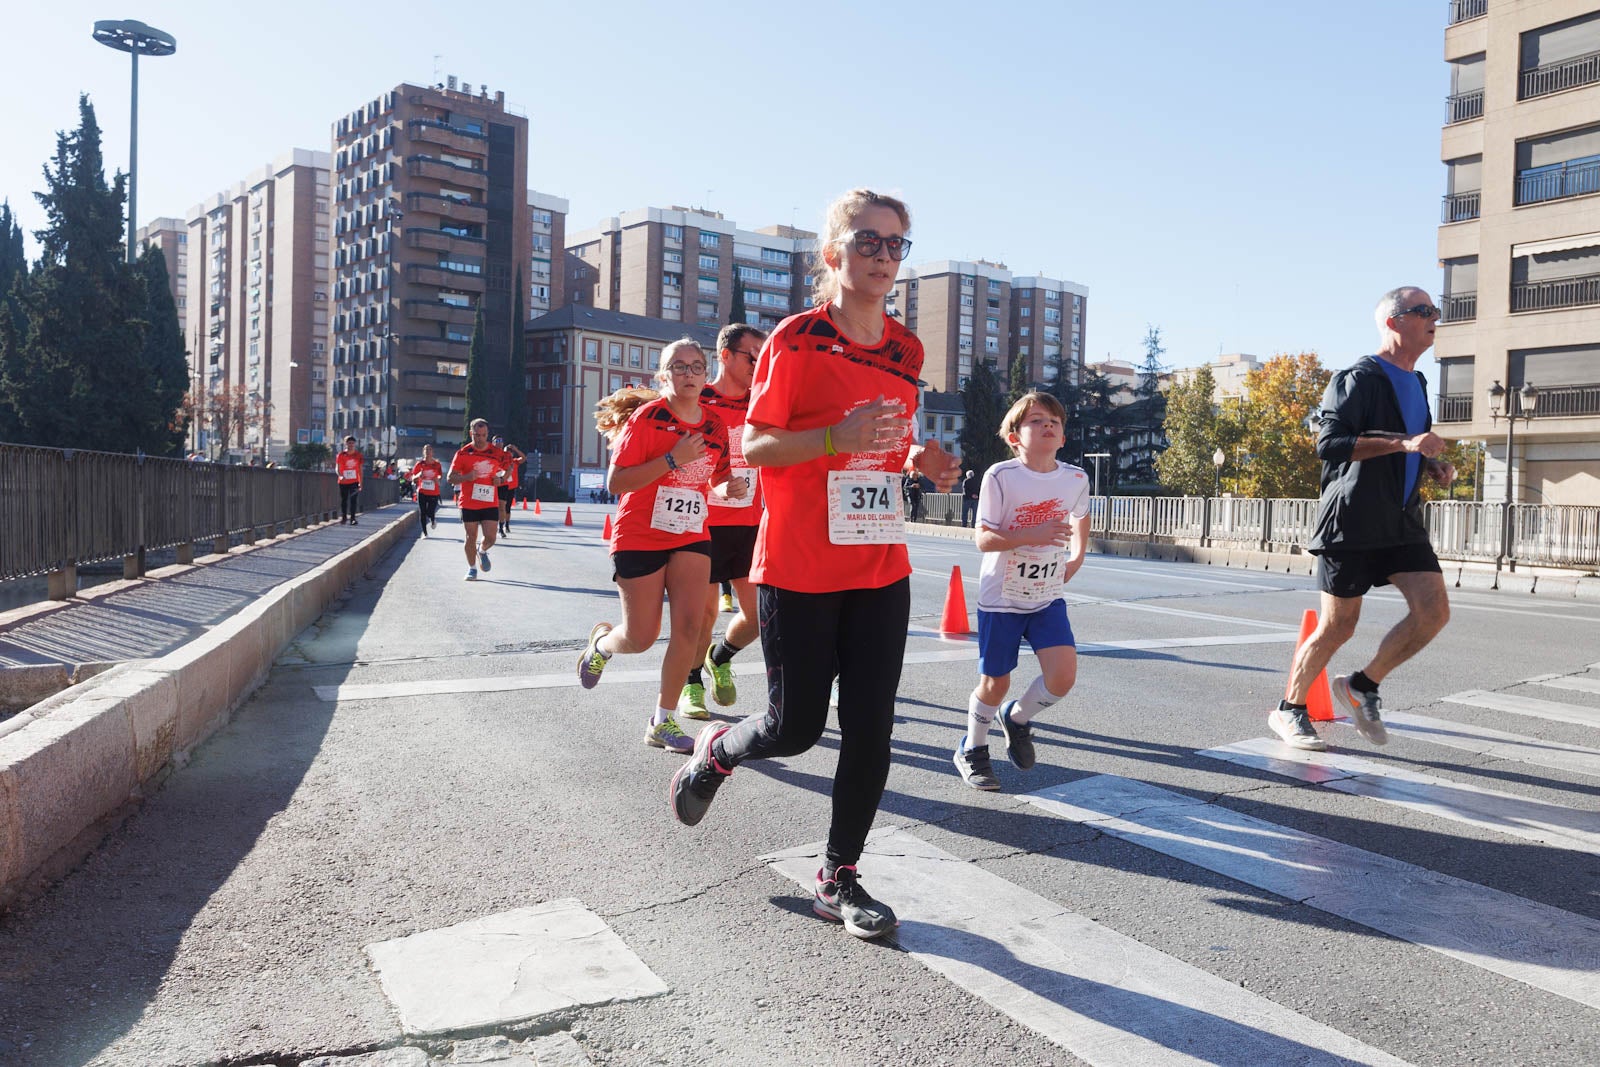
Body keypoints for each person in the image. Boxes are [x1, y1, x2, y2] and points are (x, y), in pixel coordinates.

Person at [668, 188, 960, 941]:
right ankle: (716, 752)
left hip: (879, 563)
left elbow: (888, 438)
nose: (884, 256)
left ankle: (840, 873)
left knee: (871, 727)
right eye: (868, 241)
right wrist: (838, 434)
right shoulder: (795, 341)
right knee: (793, 727)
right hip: (799, 564)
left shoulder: (907, 348)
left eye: (898, 244)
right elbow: (757, 446)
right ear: (833, 254)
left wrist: (922, 458)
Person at [1271, 286, 1454, 752]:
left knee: (1433, 612)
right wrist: (1404, 444)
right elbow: (1329, 445)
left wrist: (1430, 465)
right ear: (1394, 322)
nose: (1434, 316)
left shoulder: (1417, 382)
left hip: (1400, 520)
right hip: (1351, 519)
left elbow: (1404, 443)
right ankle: (1290, 710)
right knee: (1337, 626)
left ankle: (1362, 685)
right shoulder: (1358, 377)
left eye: (1435, 310)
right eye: (1423, 310)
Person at [575, 339, 741, 753]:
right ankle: (601, 645)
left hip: (690, 532)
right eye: (679, 367)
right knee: (641, 636)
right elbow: (617, 483)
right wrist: (673, 459)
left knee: (690, 628)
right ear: (664, 376)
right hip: (640, 534)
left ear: (706, 375)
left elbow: (716, 476)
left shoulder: (714, 424)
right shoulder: (648, 420)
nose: (689, 374)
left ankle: (662, 721)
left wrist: (726, 486)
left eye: (696, 367)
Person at [955, 392, 1091, 791]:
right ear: (1014, 436)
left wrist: (1078, 558)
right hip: (1002, 596)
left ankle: (1016, 718)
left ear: (1063, 437)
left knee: (1062, 676)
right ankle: (973, 748)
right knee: (995, 683)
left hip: (1047, 594)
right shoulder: (1001, 475)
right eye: (1035, 421)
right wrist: (1033, 534)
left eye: (1054, 421)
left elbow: (1081, 517)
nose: (1047, 425)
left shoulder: (1076, 479)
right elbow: (983, 538)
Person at [679, 324, 766, 721]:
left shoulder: (761, 404)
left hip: (751, 524)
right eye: (753, 356)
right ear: (726, 356)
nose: (758, 364)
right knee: (704, 615)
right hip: (704, 524)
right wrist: (716, 491)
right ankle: (691, 683)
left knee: (759, 616)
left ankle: (721, 657)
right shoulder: (701, 400)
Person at [447, 419, 508, 581]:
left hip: (489, 501)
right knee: (470, 537)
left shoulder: (496, 452)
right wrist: (466, 477)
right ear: (470, 434)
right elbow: (450, 478)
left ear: (487, 434)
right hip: (468, 502)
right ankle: (472, 568)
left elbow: (509, 466)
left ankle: (482, 551)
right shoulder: (463, 453)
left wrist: (501, 480)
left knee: (491, 537)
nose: (480, 439)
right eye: (477, 435)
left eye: (483, 435)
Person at [493, 437, 527, 537]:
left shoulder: (512, 460)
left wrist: (515, 449)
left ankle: (503, 527)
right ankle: (492, 525)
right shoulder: (490, 453)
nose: (499, 443)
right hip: (493, 483)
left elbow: (524, 458)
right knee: (493, 507)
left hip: (506, 485)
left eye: (501, 441)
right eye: (497, 441)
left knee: (504, 507)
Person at [411, 444, 444, 536]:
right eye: (426, 450)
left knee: (430, 512)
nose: (427, 452)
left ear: (432, 452)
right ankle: (425, 533)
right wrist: (418, 476)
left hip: (433, 492)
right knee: (422, 512)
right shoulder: (419, 464)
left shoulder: (437, 464)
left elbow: (440, 476)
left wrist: (437, 478)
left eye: (429, 450)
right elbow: (413, 477)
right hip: (422, 491)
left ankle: (433, 519)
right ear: (423, 452)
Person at [336, 436, 363, 525]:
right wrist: (340, 475)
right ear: (346, 444)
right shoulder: (341, 455)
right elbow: (337, 468)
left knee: (353, 499)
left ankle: (353, 519)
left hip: (354, 481)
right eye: (349, 443)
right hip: (343, 481)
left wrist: (360, 483)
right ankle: (344, 517)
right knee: (344, 500)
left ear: (354, 444)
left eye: (352, 443)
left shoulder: (358, 455)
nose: (351, 445)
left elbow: (360, 470)